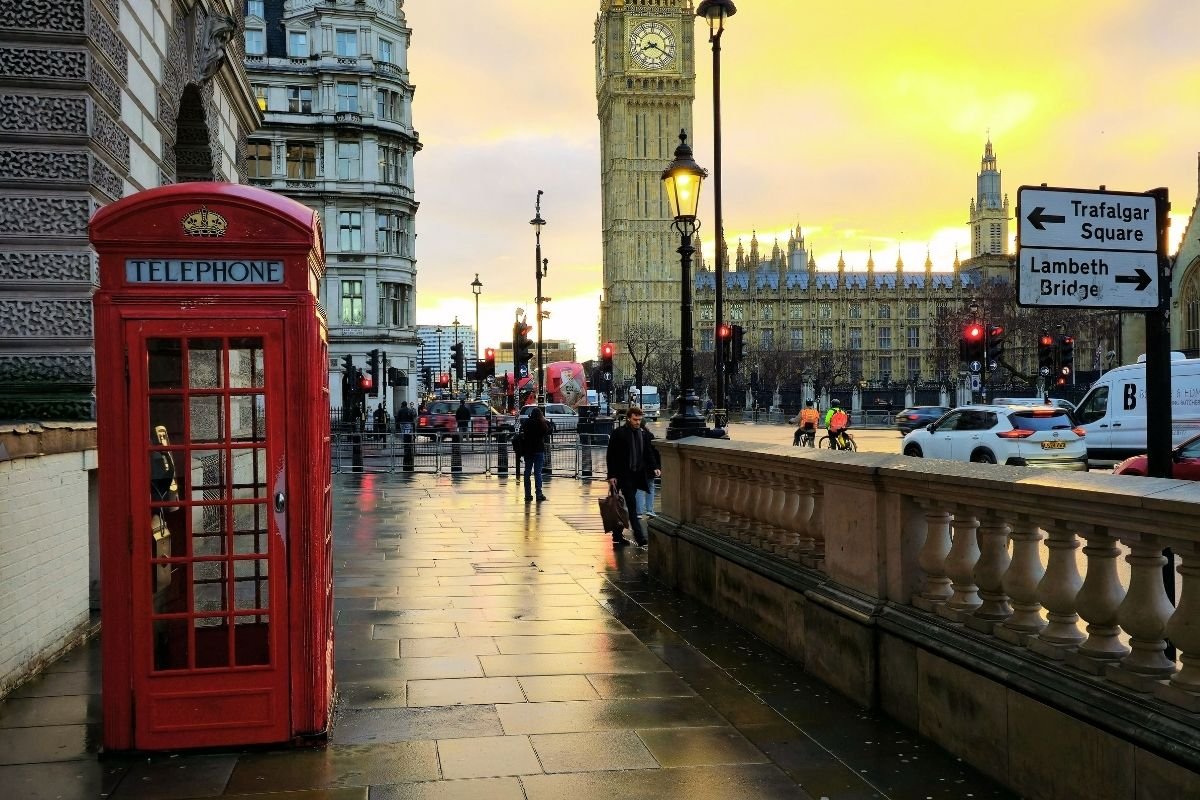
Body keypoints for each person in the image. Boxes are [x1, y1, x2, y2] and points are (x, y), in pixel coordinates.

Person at [606, 406, 656, 547]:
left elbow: (648, 453)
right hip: (622, 475)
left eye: (640, 420)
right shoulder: (619, 433)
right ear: (628, 418)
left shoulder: (643, 434)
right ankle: (639, 537)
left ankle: (618, 535)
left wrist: (655, 467)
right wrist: (611, 475)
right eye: (635, 419)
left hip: (635, 475)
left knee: (626, 506)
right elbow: (611, 456)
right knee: (627, 506)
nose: (637, 422)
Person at [518, 407, 550, 502]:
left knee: (527, 472)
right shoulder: (541, 424)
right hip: (538, 450)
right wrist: (544, 420)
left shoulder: (527, 423)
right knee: (538, 473)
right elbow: (548, 430)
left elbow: (521, 429)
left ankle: (527, 494)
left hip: (528, 450)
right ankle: (539, 494)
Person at [635, 424, 662, 518]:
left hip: (638, 466)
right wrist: (656, 466)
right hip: (649, 466)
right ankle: (649, 509)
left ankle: (639, 511)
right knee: (650, 486)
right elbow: (653, 452)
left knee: (639, 488)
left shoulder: (634, 434)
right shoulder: (649, 435)